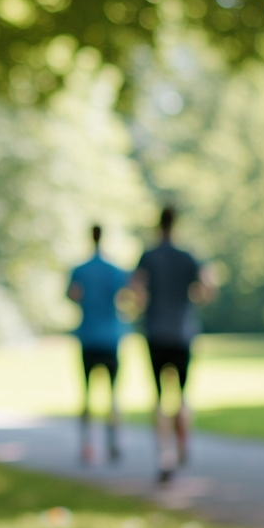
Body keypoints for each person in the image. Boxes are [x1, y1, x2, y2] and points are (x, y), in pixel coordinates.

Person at [131, 207, 213, 483]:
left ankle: (164, 455)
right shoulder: (188, 257)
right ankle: (182, 444)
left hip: (155, 334)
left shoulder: (148, 256)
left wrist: (144, 306)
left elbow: (135, 290)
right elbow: (206, 290)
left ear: (158, 225)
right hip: (182, 333)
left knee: (158, 397)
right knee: (181, 396)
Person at [67, 225, 130, 466]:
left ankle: (87, 445)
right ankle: (113, 441)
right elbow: (127, 296)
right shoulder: (115, 270)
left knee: (87, 395)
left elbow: (72, 295)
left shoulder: (80, 270)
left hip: (88, 337)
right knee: (113, 396)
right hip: (111, 338)